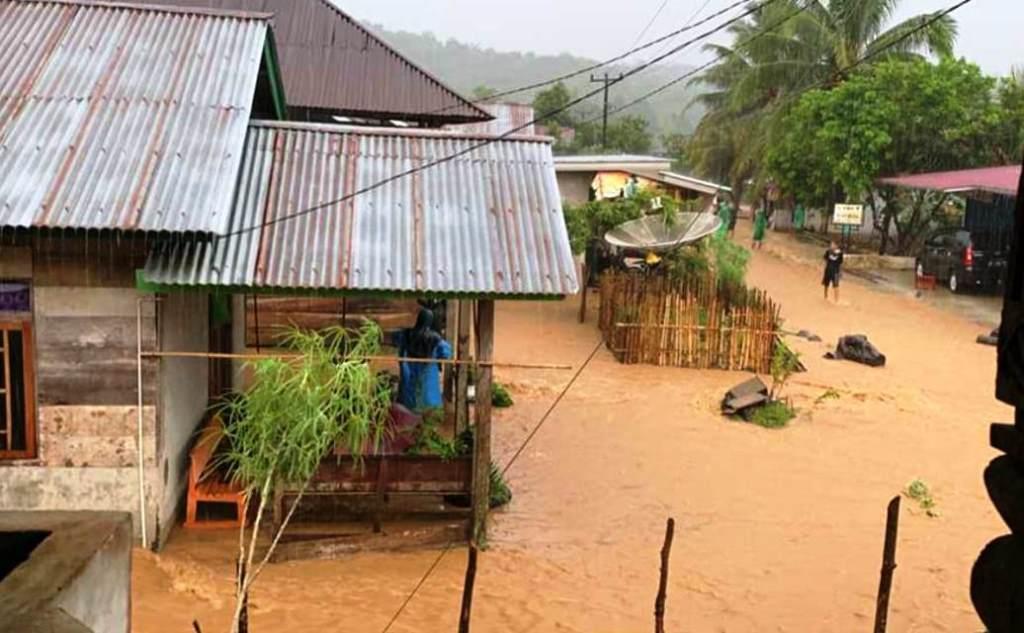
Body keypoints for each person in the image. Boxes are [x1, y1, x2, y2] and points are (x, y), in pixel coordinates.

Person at [393, 308, 452, 412]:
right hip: (428, 379)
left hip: (408, 380)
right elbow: (446, 353)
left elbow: (394, 339)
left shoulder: (406, 334)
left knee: (408, 408)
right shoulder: (435, 339)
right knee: (429, 410)